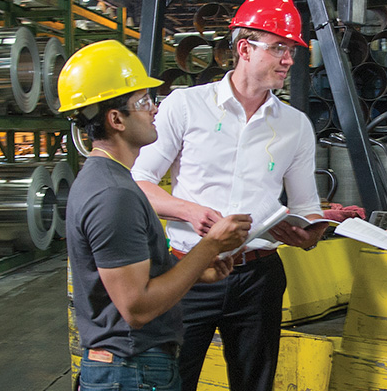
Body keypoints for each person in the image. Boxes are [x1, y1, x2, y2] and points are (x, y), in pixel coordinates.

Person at [131, 0, 328, 391]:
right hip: (188, 272)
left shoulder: (295, 125)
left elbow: (306, 206)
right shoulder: (185, 106)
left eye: (291, 50)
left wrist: (307, 232)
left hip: (258, 277)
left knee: (255, 384)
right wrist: (189, 211)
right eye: (279, 49)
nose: (289, 59)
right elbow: (138, 183)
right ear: (244, 48)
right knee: (171, 381)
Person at [60, 40, 251, 391]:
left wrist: (197, 273)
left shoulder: (110, 181)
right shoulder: (114, 196)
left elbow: (139, 284)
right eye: (144, 102)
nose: (155, 109)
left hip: (131, 367)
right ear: (116, 119)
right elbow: (137, 308)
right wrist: (210, 245)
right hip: (132, 370)